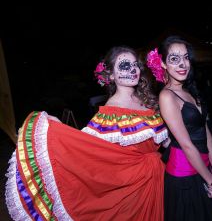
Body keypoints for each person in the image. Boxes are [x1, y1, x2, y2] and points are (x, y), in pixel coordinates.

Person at [5, 46, 169, 221]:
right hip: (132, 192)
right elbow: (87, 150)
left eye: (135, 65)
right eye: (125, 65)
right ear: (111, 75)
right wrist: (59, 130)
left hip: (160, 179)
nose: (133, 70)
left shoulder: (147, 101)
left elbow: (165, 141)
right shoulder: (109, 113)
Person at [146, 36, 212, 221]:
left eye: (185, 57)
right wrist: (210, 180)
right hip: (184, 174)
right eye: (174, 59)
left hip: (203, 165)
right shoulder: (167, 96)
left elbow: (205, 130)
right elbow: (186, 144)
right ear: (163, 63)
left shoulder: (189, 90)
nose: (183, 64)